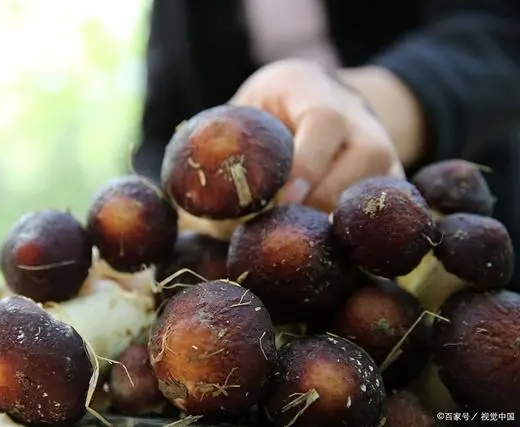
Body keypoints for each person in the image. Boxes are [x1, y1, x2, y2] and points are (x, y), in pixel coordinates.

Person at [131, 1, 520, 285]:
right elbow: (159, 133)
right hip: (259, 275)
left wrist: (369, 108)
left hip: (458, 234)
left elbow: (500, 29)